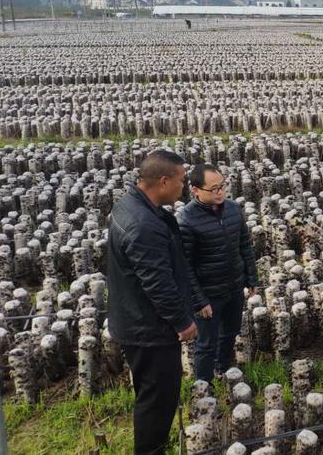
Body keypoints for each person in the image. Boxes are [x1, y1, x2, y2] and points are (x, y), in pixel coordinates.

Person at [107, 150, 196, 455]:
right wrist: (183, 322)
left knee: (152, 396)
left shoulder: (131, 206)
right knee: (157, 400)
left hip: (136, 320)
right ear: (163, 181)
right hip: (148, 329)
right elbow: (157, 283)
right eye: (181, 181)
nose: (183, 187)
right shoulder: (143, 225)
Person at [178, 164, 259, 383]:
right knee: (206, 343)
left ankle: (222, 368)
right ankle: (204, 387)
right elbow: (185, 267)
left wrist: (251, 278)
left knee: (230, 332)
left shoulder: (233, 209)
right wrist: (199, 301)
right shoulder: (186, 219)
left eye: (222, 186)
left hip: (234, 287)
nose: (220, 192)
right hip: (208, 294)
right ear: (195, 190)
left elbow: (244, 246)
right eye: (214, 189)